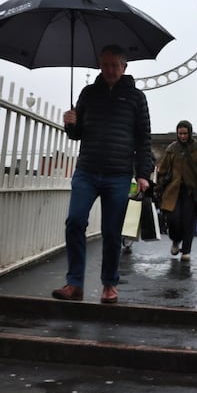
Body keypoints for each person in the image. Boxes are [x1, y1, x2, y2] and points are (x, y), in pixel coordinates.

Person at [51, 44, 153, 304]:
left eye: (114, 65)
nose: (109, 70)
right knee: (75, 221)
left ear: (124, 67)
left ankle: (109, 284)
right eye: (105, 64)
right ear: (100, 65)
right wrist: (70, 124)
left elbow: (143, 139)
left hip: (118, 174)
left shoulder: (136, 98)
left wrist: (143, 174)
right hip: (87, 170)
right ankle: (74, 283)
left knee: (111, 231)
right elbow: (78, 134)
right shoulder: (88, 93)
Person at [156, 120, 197, 262]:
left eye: (185, 133)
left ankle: (186, 250)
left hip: (192, 192)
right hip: (173, 191)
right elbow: (162, 169)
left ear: (190, 132)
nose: (182, 136)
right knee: (173, 219)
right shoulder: (171, 149)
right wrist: (160, 183)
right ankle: (175, 240)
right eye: (180, 133)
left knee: (189, 221)